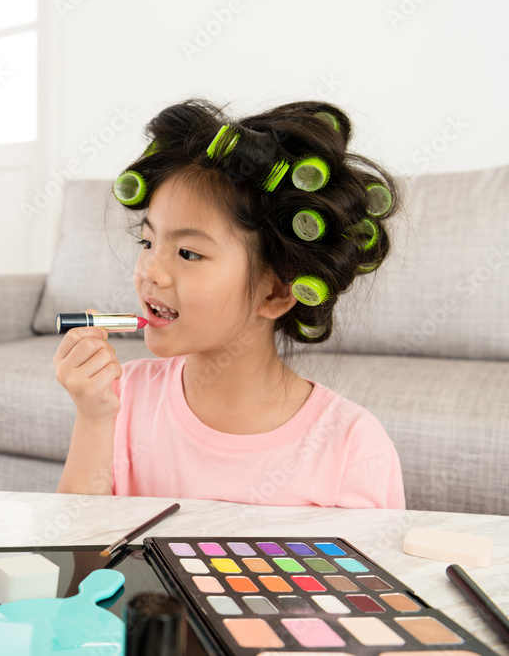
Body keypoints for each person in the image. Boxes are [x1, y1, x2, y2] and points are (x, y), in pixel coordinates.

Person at [54, 99, 405, 508]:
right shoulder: (119, 399)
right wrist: (94, 418)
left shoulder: (352, 447)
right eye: (147, 242)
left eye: (188, 253)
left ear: (274, 292)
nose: (150, 270)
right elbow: (77, 552)